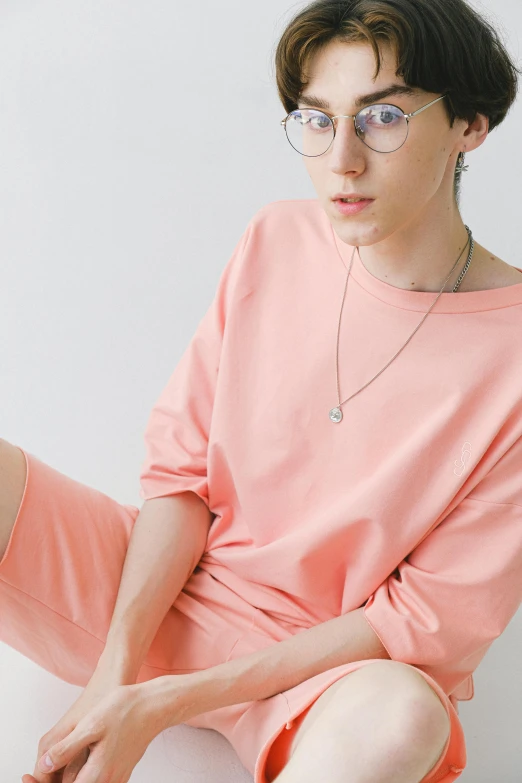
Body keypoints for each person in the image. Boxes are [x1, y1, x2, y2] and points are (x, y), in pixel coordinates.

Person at [1, 1, 522, 782]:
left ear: (470, 124)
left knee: (404, 713)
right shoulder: (277, 239)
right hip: (162, 601)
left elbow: (420, 623)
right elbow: (182, 478)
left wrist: (164, 702)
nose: (342, 159)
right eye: (317, 120)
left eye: (382, 117)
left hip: (321, 674)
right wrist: (119, 672)